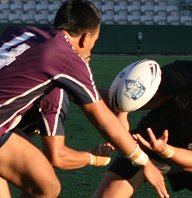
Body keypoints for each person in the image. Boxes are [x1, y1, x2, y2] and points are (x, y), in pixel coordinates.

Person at [0, 0, 169, 197]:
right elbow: (102, 121)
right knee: (47, 186)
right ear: (86, 37)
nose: (91, 49)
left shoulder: (23, 33)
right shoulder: (66, 59)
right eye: (94, 42)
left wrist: (123, 109)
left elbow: (90, 94)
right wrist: (143, 161)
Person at [94, 35, 192, 198]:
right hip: (147, 144)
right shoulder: (184, 74)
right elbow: (136, 92)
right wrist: (122, 115)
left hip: (190, 156)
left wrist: (165, 150)